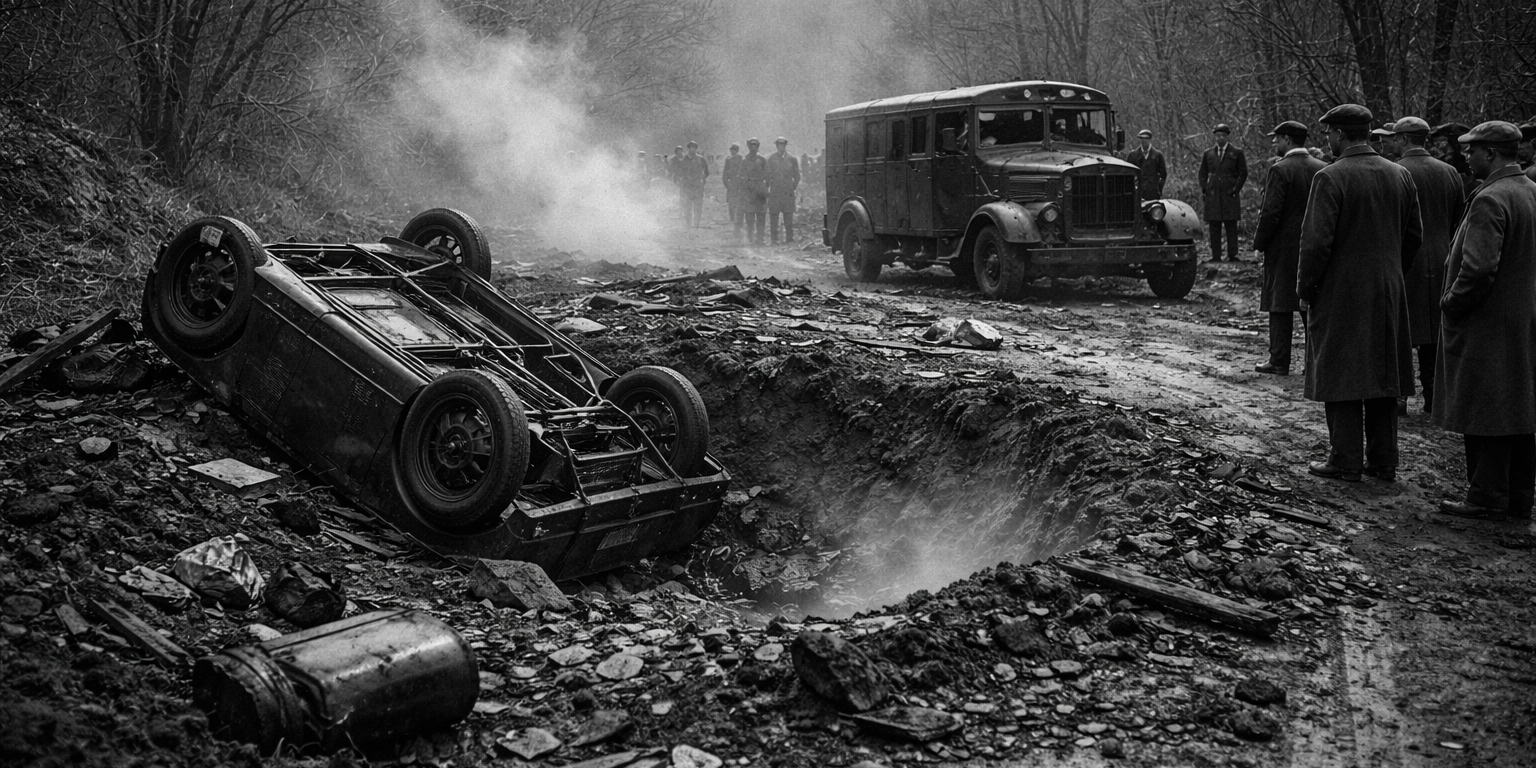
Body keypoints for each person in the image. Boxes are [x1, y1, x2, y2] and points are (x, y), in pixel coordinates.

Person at [1296, 103, 1422, 483]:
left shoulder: (1331, 178)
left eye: (1330, 133)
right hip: (1388, 289)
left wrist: (1306, 289)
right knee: (1383, 373)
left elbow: (1316, 243)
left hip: (1340, 291)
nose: (1328, 140)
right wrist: (1390, 273)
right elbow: (1414, 236)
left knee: (1342, 371)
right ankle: (1384, 461)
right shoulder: (1399, 175)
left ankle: (1345, 459)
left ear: (1338, 134)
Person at [1434, 121, 1536, 521]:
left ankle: (1485, 496)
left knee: (1487, 407)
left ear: (1491, 153)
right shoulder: (1529, 191)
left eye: (1472, 150)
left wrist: (1451, 304)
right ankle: (1517, 497)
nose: (1466, 156)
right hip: (1523, 320)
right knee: (1519, 407)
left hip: (1489, 323)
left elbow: (1477, 270)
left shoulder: (1491, 199)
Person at [1392, 116, 1464, 415]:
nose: (1392, 142)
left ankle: (1397, 398)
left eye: (1395, 138)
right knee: (1434, 335)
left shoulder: (1395, 171)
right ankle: (1435, 399)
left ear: (1405, 139)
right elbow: (1460, 222)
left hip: (1404, 260)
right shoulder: (1450, 173)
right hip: (1443, 261)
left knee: (1399, 332)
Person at [1251, 120, 1325, 377]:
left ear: (1287, 140)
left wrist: (1259, 243)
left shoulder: (1279, 170)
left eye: (1277, 139)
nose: (1274, 143)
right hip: (1315, 245)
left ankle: (1279, 361)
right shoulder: (1322, 168)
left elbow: (1270, 212)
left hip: (1282, 249)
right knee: (1310, 303)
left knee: (1280, 304)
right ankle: (1313, 363)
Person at [1198, 123, 1248, 262]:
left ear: (1227, 137)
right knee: (1214, 225)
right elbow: (1202, 173)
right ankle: (1216, 255)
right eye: (1217, 136)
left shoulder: (1236, 152)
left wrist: (1236, 189)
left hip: (1229, 192)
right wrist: (1205, 188)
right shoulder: (1208, 153)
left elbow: (1243, 173)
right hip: (1213, 193)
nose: (1219, 138)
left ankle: (1232, 254)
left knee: (1231, 225)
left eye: (1222, 136)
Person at [766, 137, 800, 243]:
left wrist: (792, 187)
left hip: (787, 193)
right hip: (775, 192)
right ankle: (774, 239)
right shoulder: (771, 159)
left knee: (788, 216)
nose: (781, 147)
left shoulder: (792, 159)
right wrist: (768, 188)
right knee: (774, 216)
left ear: (785, 146)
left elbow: (797, 176)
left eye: (783, 145)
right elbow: (767, 175)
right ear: (776, 146)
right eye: (779, 145)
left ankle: (789, 238)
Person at [739, 138, 769, 245]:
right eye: (752, 145)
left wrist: (765, 188)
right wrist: (745, 187)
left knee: (761, 215)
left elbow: (767, 174)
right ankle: (750, 238)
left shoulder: (762, 160)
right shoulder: (744, 160)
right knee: (749, 216)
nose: (754, 147)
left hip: (760, 189)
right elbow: (740, 176)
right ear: (748, 146)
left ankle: (760, 239)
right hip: (749, 190)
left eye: (756, 145)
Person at [1125, 129, 1168, 201]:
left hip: (1153, 193)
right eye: (1142, 139)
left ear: (1150, 140)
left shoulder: (1157, 155)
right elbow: (1127, 174)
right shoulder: (1133, 155)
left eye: (1146, 139)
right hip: (1136, 193)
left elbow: (1163, 175)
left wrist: (1158, 188)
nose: (1144, 141)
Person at [675, 141, 709, 229]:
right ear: (688, 148)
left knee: (698, 207)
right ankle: (688, 225)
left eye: (694, 147)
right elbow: (678, 173)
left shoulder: (701, 159)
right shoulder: (683, 160)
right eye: (691, 147)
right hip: (687, 187)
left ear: (696, 148)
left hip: (698, 187)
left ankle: (696, 224)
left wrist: (702, 179)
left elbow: (707, 172)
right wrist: (681, 183)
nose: (692, 149)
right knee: (687, 207)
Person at [722, 143, 744, 237]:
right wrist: (727, 184)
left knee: (739, 205)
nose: (733, 151)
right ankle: (732, 221)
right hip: (731, 185)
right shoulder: (728, 159)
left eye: (735, 149)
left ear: (737, 150)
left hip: (740, 184)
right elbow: (725, 174)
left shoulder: (741, 159)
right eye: (732, 149)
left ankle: (739, 225)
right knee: (731, 205)